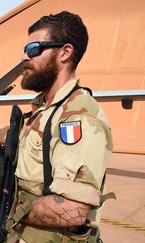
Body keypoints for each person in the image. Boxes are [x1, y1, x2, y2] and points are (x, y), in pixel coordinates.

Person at [12, 11, 113, 242]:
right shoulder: (44, 110)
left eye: (33, 49)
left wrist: (9, 204)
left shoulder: (79, 116)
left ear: (65, 52)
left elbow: (73, 210)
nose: (24, 58)